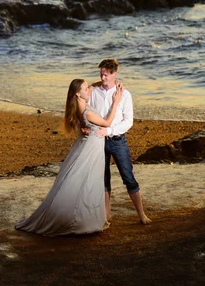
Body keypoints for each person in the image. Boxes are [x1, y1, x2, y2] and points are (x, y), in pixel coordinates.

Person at [15, 78, 122, 236]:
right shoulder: (88, 112)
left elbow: (92, 87)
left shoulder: (78, 106)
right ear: (78, 94)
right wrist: (116, 101)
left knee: (86, 181)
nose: (89, 91)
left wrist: (104, 81)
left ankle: (86, 216)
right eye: (85, 89)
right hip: (92, 149)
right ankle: (81, 220)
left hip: (89, 146)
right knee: (89, 181)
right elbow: (107, 122)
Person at [88, 58, 151, 225]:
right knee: (103, 178)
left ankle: (141, 214)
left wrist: (109, 130)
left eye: (106, 75)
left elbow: (128, 121)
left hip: (117, 140)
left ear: (114, 74)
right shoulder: (94, 93)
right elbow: (88, 112)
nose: (103, 78)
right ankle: (106, 215)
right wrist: (86, 126)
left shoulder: (125, 94)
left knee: (128, 177)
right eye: (101, 74)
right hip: (98, 141)